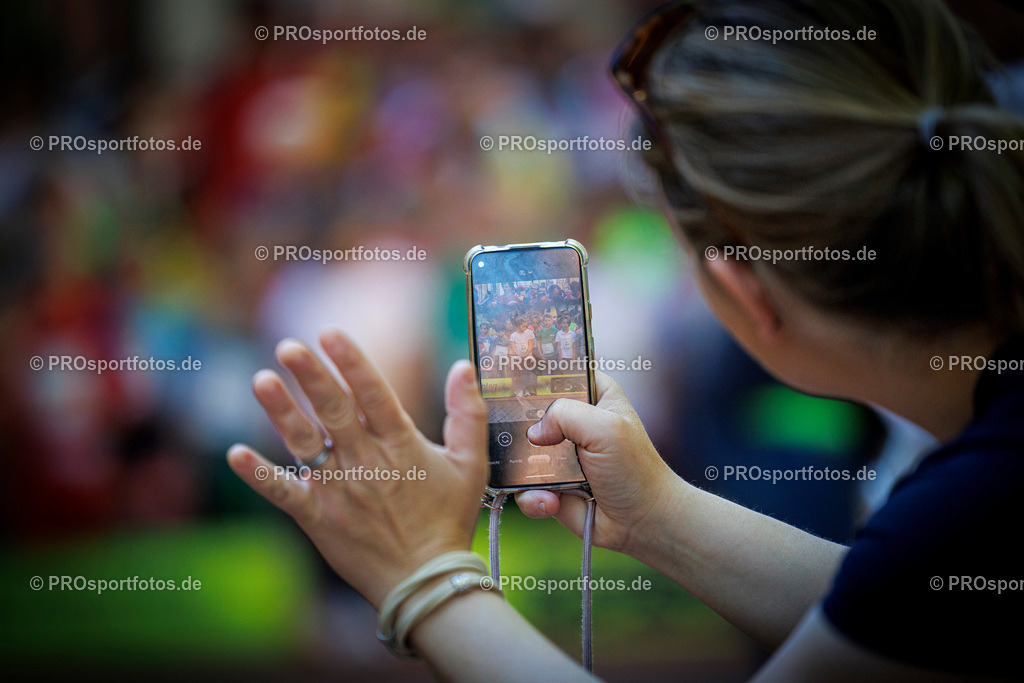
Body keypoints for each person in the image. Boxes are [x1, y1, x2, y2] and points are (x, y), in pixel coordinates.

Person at [227, 0, 1024, 679]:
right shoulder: (974, 490)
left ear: (745, 291)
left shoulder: (972, 502)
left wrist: (422, 573)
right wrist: (657, 514)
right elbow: (896, 610)